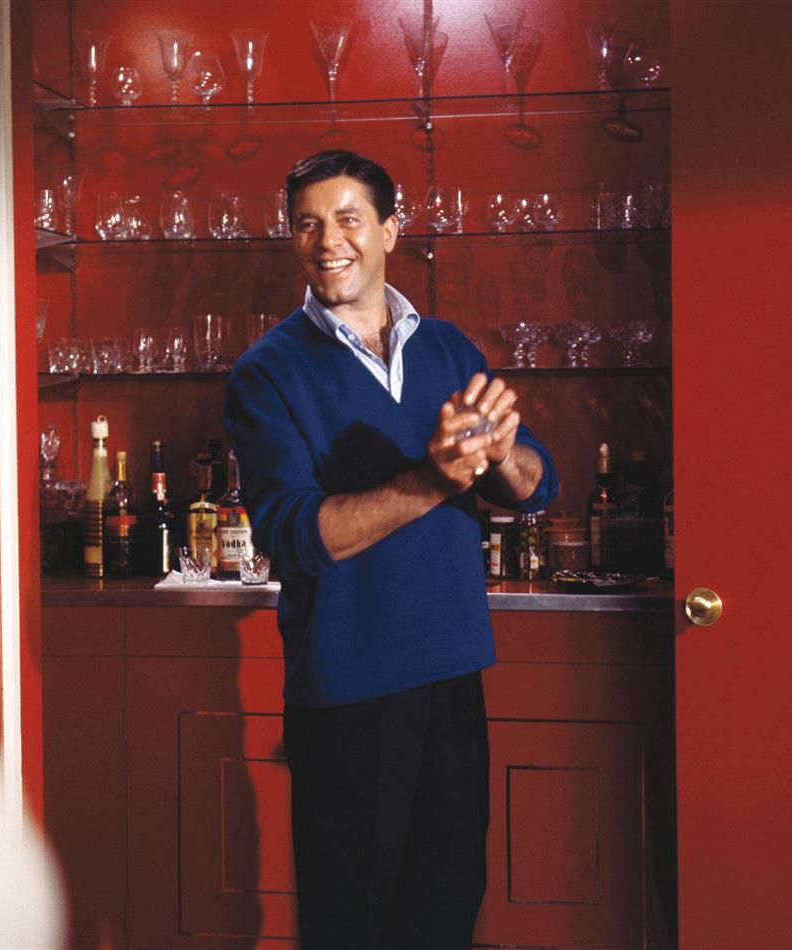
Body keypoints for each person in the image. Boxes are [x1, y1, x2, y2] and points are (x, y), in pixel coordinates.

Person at [225, 150, 558, 950]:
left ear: (390, 232)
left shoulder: (447, 348)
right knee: (352, 924)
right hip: (349, 689)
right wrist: (438, 478)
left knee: (447, 911)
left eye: (348, 219)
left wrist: (501, 453)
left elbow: (536, 484)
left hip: (452, 672)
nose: (327, 241)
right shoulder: (267, 373)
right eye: (307, 224)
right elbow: (292, 535)